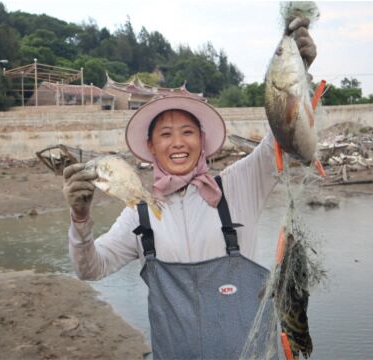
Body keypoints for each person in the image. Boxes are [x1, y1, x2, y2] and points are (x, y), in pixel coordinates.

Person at [62, 18, 316, 360]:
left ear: (203, 141)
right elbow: (90, 268)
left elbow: (283, 135)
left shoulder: (240, 183)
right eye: (165, 135)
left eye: (187, 132)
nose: (177, 143)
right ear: (151, 147)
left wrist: (297, 74)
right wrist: (80, 219)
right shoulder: (139, 213)